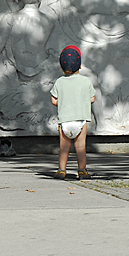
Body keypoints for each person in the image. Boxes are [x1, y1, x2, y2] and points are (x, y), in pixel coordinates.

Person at [50, 45, 95, 180]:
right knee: (80, 147)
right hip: (80, 120)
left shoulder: (59, 82)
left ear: (61, 67)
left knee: (64, 148)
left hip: (64, 121)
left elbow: (54, 100)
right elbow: (92, 99)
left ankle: (61, 170)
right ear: (80, 66)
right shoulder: (85, 81)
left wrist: (64, 101)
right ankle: (82, 171)